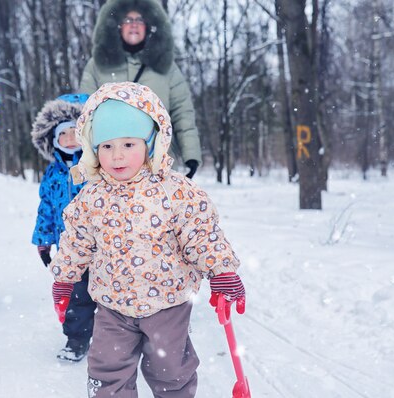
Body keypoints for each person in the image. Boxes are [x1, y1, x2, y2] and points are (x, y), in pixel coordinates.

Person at [49, 82, 246, 398]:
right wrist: (64, 277)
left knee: (171, 373)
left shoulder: (175, 191)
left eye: (129, 144)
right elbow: (76, 241)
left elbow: (201, 234)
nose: (117, 156)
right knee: (106, 372)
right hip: (113, 306)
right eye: (107, 146)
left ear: (151, 144)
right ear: (93, 149)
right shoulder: (91, 197)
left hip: (168, 303)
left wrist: (222, 272)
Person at [78, 0, 202, 179]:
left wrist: (191, 155)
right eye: (128, 20)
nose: (134, 25)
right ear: (118, 26)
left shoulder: (167, 67)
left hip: (157, 162)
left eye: (139, 20)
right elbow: (85, 113)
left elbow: (183, 113)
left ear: (149, 26)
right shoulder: (97, 66)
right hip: (113, 164)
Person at [30, 93, 96, 362]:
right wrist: (43, 240)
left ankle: (114, 338)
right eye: (63, 134)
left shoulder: (96, 167)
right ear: (53, 140)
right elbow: (45, 208)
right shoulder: (51, 174)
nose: (69, 138)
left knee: (110, 293)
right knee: (76, 296)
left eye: (74, 132)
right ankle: (77, 339)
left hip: (102, 244)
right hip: (69, 248)